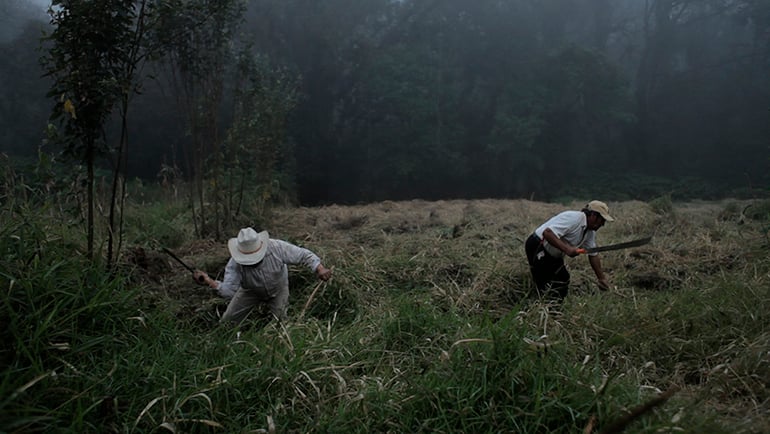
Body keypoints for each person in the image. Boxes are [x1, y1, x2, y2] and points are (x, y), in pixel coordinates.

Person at [193, 227, 333, 322]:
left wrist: (320, 269)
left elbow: (303, 255)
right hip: (250, 291)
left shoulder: (277, 248)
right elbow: (230, 290)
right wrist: (209, 281)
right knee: (228, 320)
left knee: (281, 323)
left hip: (279, 289)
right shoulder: (234, 263)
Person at [524, 200, 614, 301]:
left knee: (563, 279)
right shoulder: (574, 218)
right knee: (544, 283)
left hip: (554, 253)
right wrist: (568, 249)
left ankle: (555, 310)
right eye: (602, 220)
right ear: (593, 215)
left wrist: (601, 278)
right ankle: (538, 308)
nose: (602, 224)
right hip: (538, 246)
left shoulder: (590, 231)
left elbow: (593, 254)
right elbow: (548, 233)